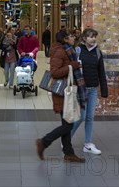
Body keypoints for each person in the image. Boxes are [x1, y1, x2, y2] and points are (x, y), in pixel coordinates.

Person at [36, 29, 87, 163]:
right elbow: (54, 72)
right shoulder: (60, 51)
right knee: (68, 125)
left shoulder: (68, 50)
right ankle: (44, 142)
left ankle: (69, 153)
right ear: (64, 39)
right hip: (62, 93)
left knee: (67, 122)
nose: (73, 38)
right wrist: (72, 66)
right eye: (71, 37)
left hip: (67, 92)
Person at [71, 28, 108, 155]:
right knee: (81, 117)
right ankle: (66, 138)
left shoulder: (97, 52)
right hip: (81, 89)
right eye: (91, 36)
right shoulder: (78, 51)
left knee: (90, 117)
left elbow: (101, 72)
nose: (93, 39)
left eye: (94, 37)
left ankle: (87, 144)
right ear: (84, 38)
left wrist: (104, 89)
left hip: (93, 89)